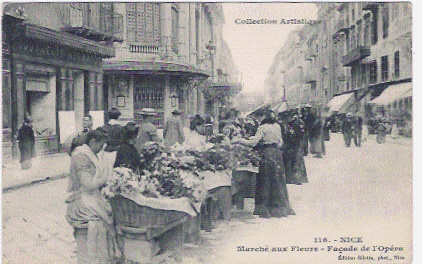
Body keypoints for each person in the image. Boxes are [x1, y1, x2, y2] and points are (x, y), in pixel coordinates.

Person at [65, 128, 121, 263]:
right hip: (82, 201)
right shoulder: (80, 156)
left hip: (91, 197)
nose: (101, 149)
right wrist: (107, 179)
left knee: (109, 217)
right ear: (93, 141)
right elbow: (88, 184)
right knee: (102, 221)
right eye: (100, 145)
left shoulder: (90, 154)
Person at [233, 110, 295, 219]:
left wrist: (239, 140)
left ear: (263, 117)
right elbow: (280, 142)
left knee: (265, 180)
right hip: (277, 154)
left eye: (259, 117)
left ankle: (264, 209)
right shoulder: (277, 125)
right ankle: (280, 208)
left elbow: (253, 142)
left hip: (266, 154)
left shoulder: (262, 128)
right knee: (278, 180)